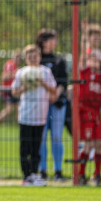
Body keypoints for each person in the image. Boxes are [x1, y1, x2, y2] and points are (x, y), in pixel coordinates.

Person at [0, 45, 58, 186]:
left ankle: (34, 174)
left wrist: (41, 83)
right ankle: (26, 176)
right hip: (25, 115)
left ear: (40, 57)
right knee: (25, 147)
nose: (33, 60)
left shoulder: (45, 72)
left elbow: (53, 89)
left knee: (36, 148)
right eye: (30, 57)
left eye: (35, 57)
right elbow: (14, 92)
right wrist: (26, 87)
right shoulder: (22, 73)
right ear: (26, 59)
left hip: (40, 116)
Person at [36, 29, 70, 182]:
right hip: (41, 104)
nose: (55, 42)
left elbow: (63, 81)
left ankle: (58, 171)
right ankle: (42, 171)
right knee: (41, 138)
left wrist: (56, 94)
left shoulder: (59, 60)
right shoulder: (37, 59)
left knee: (57, 137)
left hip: (58, 103)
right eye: (52, 39)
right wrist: (46, 94)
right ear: (44, 41)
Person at [74, 51, 101, 185]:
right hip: (86, 111)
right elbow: (80, 58)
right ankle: (81, 174)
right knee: (88, 144)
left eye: (96, 60)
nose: (93, 62)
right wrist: (85, 38)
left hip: (97, 113)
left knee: (98, 144)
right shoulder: (85, 72)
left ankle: (97, 173)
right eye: (91, 59)